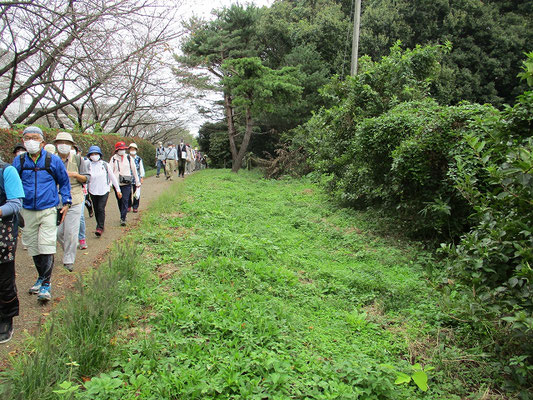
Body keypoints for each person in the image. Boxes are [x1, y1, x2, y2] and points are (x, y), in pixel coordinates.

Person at [12, 126, 71, 302]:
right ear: (23, 141)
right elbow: (12, 184)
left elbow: (64, 182)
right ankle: (40, 277)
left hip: (48, 209)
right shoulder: (19, 162)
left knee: (46, 245)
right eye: (27, 138)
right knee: (33, 246)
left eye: (35, 138)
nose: (31, 141)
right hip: (27, 209)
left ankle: (46, 284)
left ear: (43, 142)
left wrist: (66, 202)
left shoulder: (53, 161)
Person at [54, 132, 89, 272]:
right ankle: (69, 249)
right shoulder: (51, 160)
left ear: (71, 146)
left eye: (67, 143)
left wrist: (75, 175)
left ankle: (68, 259)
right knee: (58, 233)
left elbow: (87, 178)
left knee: (71, 231)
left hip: (75, 198)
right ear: (56, 145)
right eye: (60, 142)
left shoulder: (78, 160)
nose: (63, 146)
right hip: (56, 199)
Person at [0, 156, 24, 343]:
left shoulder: (7, 171)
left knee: (4, 278)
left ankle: (5, 318)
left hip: (3, 233)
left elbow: (15, 204)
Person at [86, 146, 121, 237]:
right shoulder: (87, 165)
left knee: (101, 208)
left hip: (104, 190)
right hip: (92, 190)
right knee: (96, 208)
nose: (94, 156)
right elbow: (85, 178)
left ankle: (100, 227)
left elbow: (112, 177)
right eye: (92, 154)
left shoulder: (105, 165)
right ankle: (99, 224)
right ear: (89, 155)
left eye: (96, 154)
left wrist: (118, 190)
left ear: (100, 155)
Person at [110, 141, 139, 226]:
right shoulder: (113, 159)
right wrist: (110, 183)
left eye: (123, 149)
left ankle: (123, 217)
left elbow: (134, 170)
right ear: (117, 150)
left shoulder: (129, 158)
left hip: (126, 182)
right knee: (120, 200)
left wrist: (137, 181)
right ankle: (122, 214)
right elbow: (110, 172)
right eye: (120, 149)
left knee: (125, 200)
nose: (122, 151)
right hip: (117, 183)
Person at [128, 143, 145, 213]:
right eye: (131, 149)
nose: (132, 150)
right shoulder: (126, 158)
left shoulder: (138, 159)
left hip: (136, 178)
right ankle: (128, 206)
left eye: (134, 149)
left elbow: (141, 168)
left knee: (136, 193)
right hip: (128, 178)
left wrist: (141, 177)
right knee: (128, 193)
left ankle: (135, 206)